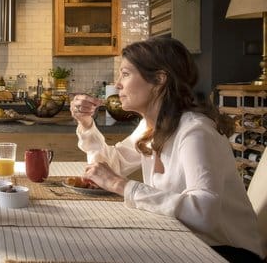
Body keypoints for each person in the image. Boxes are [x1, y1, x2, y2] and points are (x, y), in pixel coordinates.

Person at [70, 37, 265, 262]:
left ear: (160, 80)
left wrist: (120, 185)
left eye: (125, 74)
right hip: (183, 241)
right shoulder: (152, 125)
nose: (117, 84)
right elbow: (110, 168)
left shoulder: (195, 131)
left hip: (225, 252)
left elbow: (204, 213)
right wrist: (86, 123)